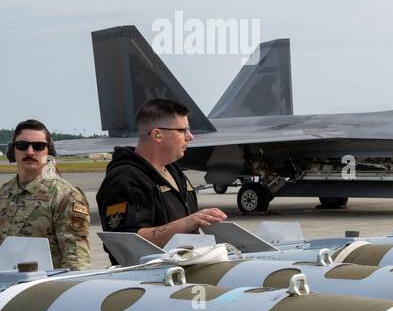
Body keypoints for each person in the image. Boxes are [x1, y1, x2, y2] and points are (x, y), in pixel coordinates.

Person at [95, 98, 226, 258]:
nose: (190, 137)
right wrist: (186, 223)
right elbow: (124, 240)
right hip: (150, 277)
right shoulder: (125, 179)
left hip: (183, 270)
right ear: (157, 134)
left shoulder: (175, 172)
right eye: (183, 130)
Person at [0, 119, 91, 270]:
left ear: (49, 151)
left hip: (42, 289)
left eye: (38, 146)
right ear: (12, 150)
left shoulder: (66, 196)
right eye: (22, 145)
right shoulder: (3, 193)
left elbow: (75, 261)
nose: (30, 151)